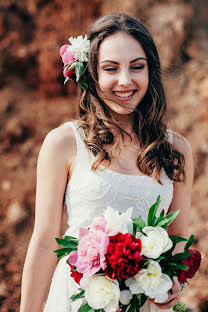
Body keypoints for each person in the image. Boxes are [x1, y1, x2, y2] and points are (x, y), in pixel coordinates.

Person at [20, 13, 194, 312]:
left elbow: (176, 238)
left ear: (150, 70)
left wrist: (174, 283)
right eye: (110, 68)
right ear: (92, 73)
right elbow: (44, 239)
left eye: (137, 67)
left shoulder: (176, 149)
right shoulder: (63, 143)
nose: (125, 80)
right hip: (78, 300)